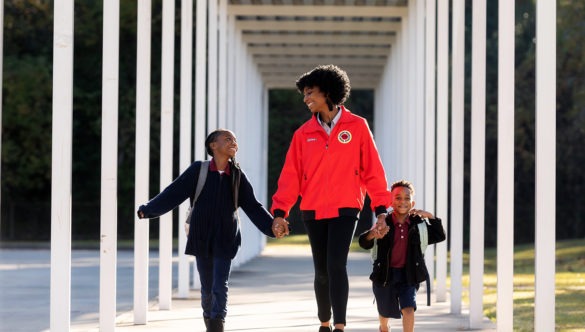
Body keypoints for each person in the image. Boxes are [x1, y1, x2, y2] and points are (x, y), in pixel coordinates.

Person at [271, 64, 392, 332]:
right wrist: (280, 212)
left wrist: (382, 208)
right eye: (304, 94)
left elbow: (373, 170)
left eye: (310, 93)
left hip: (346, 207)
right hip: (312, 209)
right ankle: (323, 322)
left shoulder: (357, 126)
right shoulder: (302, 134)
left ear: (328, 92)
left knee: (337, 265)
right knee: (322, 271)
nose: (306, 99)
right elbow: (290, 176)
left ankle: (339, 325)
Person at [137, 129, 289, 332]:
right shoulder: (198, 171)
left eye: (235, 140)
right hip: (201, 235)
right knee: (207, 286)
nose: (233, 142)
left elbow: (253, 206)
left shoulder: (237, 175)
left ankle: (217, 324)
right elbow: (173, 192)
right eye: (228, 139)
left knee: (220, 285)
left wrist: (272, 227)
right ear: (213, 145)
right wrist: (148, 210)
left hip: (226, 236)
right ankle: (210, 321)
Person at [358, 180, 446, 332]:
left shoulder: (418, 226)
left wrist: (430, 217)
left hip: (408, 274)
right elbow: (364, 243)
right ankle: (384, 327)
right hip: (385, 274)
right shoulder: (383, 223)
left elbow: (439, 235)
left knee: (409, 309)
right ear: (391, 202)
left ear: (412, 203)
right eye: (398, 197)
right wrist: (373, 234)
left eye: (407, 198)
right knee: (384, 312)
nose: (402, 201)